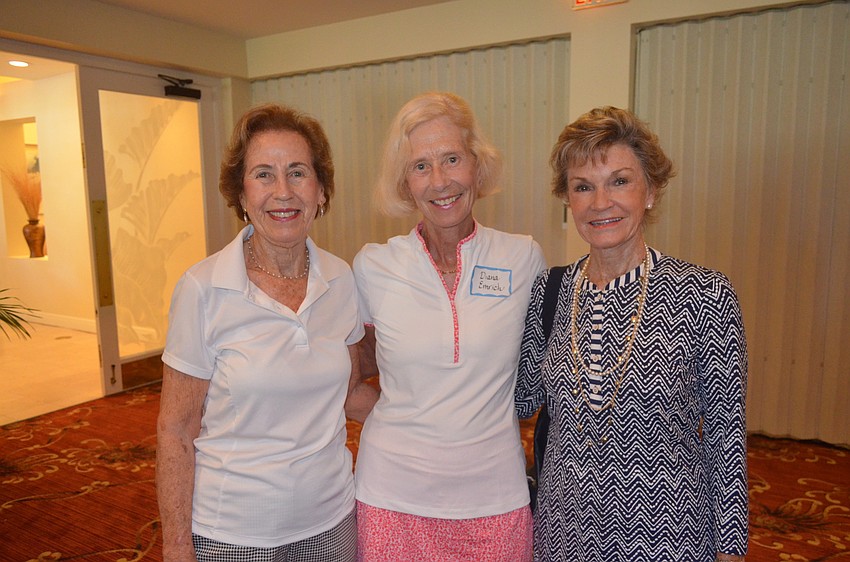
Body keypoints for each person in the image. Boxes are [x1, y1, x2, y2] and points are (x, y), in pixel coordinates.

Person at [515, 106, 748, 561]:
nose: (600, 202)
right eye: (583, 187)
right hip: (564, 534)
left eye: (619, 181)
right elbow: (520, 399)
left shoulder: (704, 293)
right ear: (568, 199)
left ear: (651, 191)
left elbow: (727, 438)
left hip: (670, 535)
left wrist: (732, 551)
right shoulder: (550, 290)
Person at [156, 103, 365, 562]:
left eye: (297, 172)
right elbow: (176, 429)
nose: (283, 192)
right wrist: (175, 546)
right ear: (241, 194)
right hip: (234, 534)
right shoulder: (203, 289)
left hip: (331, 522)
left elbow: (348, 392)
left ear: (321, 189)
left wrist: (435, 420)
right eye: (264, 175)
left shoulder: (341, 278)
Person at [349, 91, 546, 561]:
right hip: (391, 499)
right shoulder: (374, 266)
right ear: (404, 182)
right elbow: (346, 375)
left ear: (477, 165)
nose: (440, 181)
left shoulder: (523, 258)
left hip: (495, 499)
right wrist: (408, 429)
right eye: (420, 166)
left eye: (452, 159)